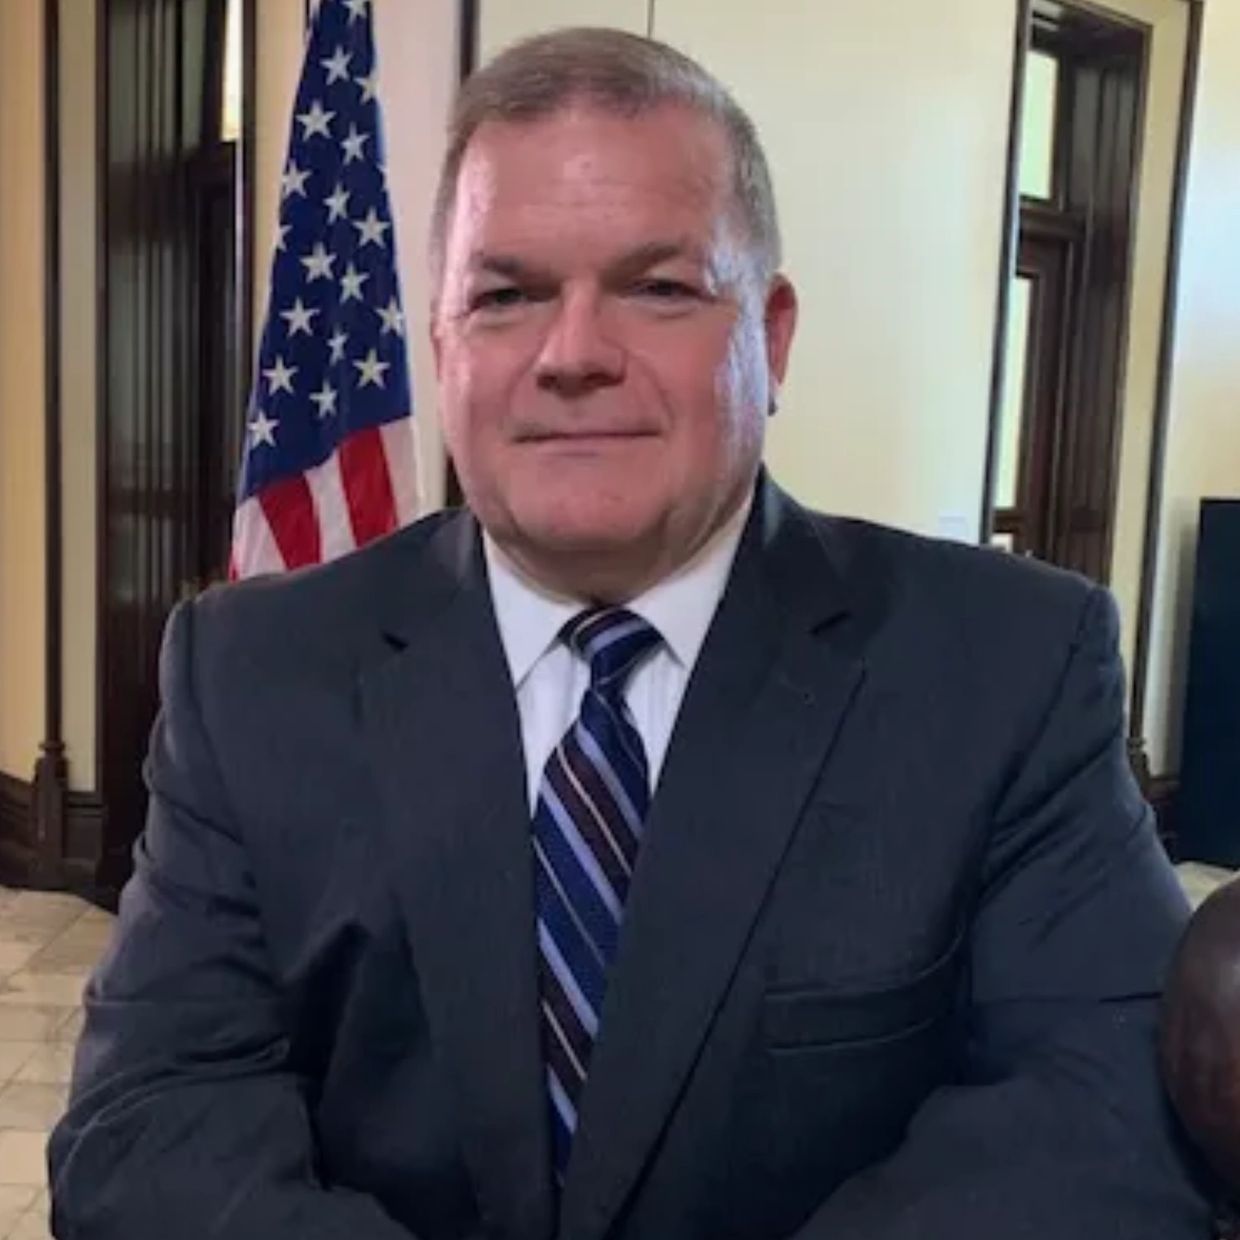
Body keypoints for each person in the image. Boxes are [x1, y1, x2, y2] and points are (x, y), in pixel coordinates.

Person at [50, 24, 1211, 1240]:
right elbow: (153, 1123)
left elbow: (1102, 1117)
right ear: (442, 349)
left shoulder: (1010, 666)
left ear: (771, 339)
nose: (572, 355)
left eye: (657, 288)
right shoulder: (250, 673)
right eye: (507, 295)